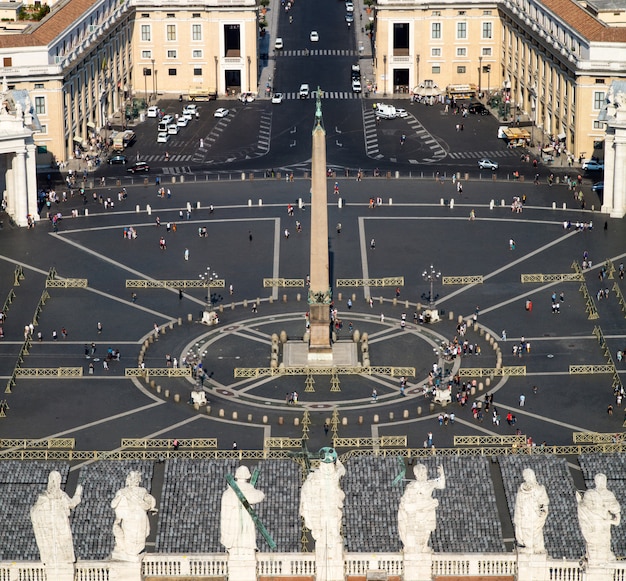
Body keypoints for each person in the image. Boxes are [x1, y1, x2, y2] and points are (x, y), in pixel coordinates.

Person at [300, 450, 345, 578]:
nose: (329, 468)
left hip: (332, 513)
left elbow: (341, 470)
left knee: (334, 537)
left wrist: (337, 462)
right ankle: (327, 565)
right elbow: (307, 496)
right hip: (322, 515)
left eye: (330, 465)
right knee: (324, 539)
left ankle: (332, 561)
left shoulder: (333, 475)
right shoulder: (315, 478)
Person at [30, 471, 83, 565]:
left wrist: (78, 494)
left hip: (60, 525)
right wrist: (78, 493)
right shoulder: (47, 497)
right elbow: (72, 503)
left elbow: (72, 504)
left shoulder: (54, 496)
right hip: (56, 527)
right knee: (59, 545)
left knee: (62, 545)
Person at [398, 464, 446, 553]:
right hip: (416, 511)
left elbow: (441, 485)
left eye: (423, 473)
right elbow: (406, 499)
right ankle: (412, 547)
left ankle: (424, 546)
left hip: (427, 509)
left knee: (426, 529)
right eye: (420, 473)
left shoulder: (430, 483)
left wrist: (442, 475)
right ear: (416, 474)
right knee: (414, 529)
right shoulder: (411, 486)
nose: (422, 475)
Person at [111, 471, 157, 562]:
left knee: (141, 535)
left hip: (140, 517)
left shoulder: (142, 491)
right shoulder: (123, 491)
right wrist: (119, 497)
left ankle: (134, 552)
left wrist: (151, 506)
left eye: (136, 479)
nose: (134, 481)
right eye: (132, 479)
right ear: (128, 480)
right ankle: (130, 553)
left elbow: (150, 501)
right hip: (130, 517)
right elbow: (113, 504)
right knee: (130, 537)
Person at [577, 473, 621, 563]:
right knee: (602, 544)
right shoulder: (608, 495)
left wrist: (579, 502)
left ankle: (594, 561)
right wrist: (612, 520)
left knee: (593, 545)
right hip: (603, 525)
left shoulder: (589, 494)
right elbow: (616, 511)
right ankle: (599, 561)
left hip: (592, 526)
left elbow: (583, 508)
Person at [220, 466, 265, 554]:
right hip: (244, 517)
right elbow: (260, 495)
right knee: (245, 533)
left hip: (234, 519)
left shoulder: (228, 493)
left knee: (240, 532)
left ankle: (238, 546)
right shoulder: (249, 490)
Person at [513, 468, 549, 553]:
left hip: (533, 514)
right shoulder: (521, 490)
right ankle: (529, 547)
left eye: (526, 476)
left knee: (535, 530)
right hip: (525, 514)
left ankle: (534, 548)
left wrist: (542, 510)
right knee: (526, 530)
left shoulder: (539, 489)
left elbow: (544, 501)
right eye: (524, 477)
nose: (525, 478)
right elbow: (519, 504)